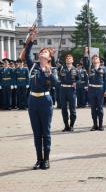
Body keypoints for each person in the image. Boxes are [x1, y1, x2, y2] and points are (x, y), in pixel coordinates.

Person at [23, 28, 58, 170]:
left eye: (46, 52)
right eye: (42, 51)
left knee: (46, 131)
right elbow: (27, 53)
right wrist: (31, 38)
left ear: (49, 57)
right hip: (33, 101)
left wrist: (49, 73)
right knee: (37, 132)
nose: (42, 53)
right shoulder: (33, 66)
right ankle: (38, 159)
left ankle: (47, 159)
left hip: (45, 101)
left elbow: (56, 83)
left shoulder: (52, 69)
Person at [84, 51, 106, 131]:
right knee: (93, 108)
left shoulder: (103, 69)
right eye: (93, 58)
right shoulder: (89, 68)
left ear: (99, 60)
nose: (95, 59)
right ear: (92, 61)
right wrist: (86, 54)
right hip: (92, 89)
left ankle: (101, 125)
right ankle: (95, 125)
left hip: (100, 90)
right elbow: (85, 63)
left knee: (100, 108)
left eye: (96, 58)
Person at [59, 54, 79, 132]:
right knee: (63, 109)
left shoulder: (75, 69)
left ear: (72, 60)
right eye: (67, 58)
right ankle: (66, 126)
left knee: (72, 109)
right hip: (63, 90)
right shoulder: (62, 69)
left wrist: (76, 83)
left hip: (71, 90)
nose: (68, 59)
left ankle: (71, 125)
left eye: (70, 58)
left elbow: (79, 79)